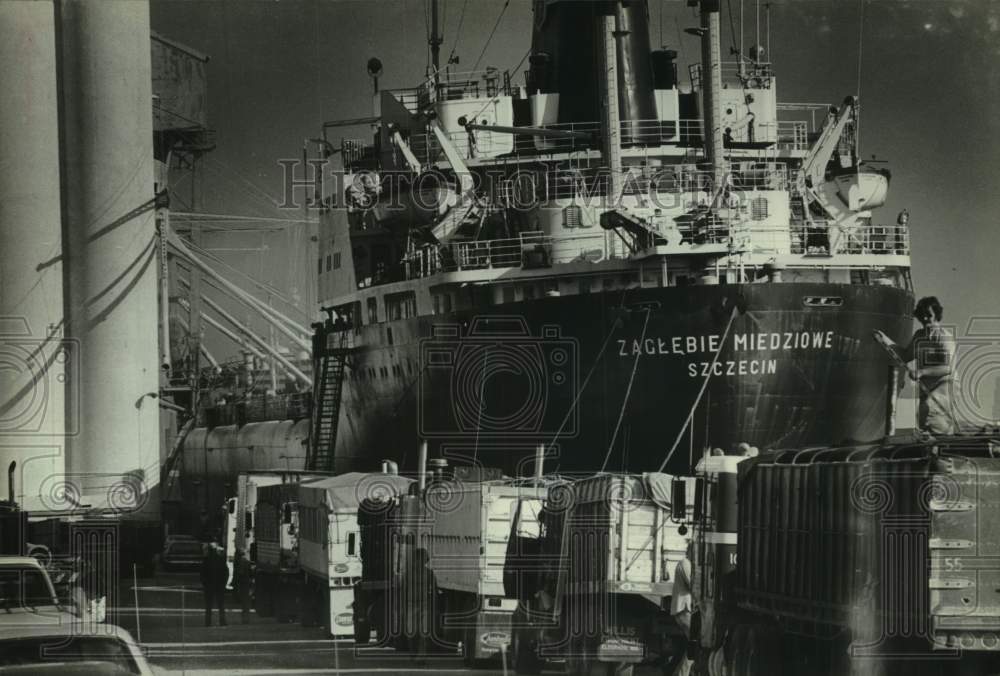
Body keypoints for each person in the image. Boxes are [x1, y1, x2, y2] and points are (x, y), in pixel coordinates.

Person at [897, 296, 955, 435]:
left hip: (944, 385)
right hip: (925, 386)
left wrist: (922, 372)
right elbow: (905, 356)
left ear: (936, 316)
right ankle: (933, 449)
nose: (925, 319)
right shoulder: (919, 335)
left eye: (929, 315)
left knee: (930, 412)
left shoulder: (943, 337)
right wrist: (885, 340)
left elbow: (948, 368)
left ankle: (946, 446)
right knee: (923, 419)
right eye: (922, 315)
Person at [669, 542, 695, 676]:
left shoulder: (688, 563)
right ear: (691, 550)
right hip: (683, 609)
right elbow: (692, 585)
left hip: (683, 609)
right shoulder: (685, 563)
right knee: (696, 643)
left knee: (691, 644)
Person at [200, 541, 229, 627]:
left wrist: (204, 584)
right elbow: (226, 573)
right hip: (219, 585)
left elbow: (202, 574)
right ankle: (222, 621)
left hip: (209, 586)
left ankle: (208, 622)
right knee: (221, 605)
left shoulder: (206, 560)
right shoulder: (221, 559)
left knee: (208, 606)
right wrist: (224, 583)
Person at [233, 548, 252, 624]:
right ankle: (246, 618)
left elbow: (240, 574)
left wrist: (236, 581)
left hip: (243, 584)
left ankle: (245, 619)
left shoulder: (241, 562)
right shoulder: (247, 562)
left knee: (244, 603)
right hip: (247, 583)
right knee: (246, 603)